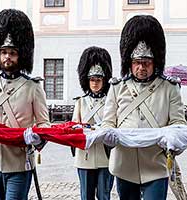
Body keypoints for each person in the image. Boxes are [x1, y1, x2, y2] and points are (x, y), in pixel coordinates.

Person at [101, 15, 187, 200]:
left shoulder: (169, 88)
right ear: (129, 63)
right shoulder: (117, 88)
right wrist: (107, 136)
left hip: (156, 164)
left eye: (146, 63)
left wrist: (172, 140)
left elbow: (178, 123)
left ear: (155, 62)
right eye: (137, 63)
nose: (141, 68)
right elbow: (108, 121)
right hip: (124, 164)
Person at [0, 9, 50, 200]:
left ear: (20, 55)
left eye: (12, 53)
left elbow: (44, 124)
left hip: (20, 162)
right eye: (4, 52)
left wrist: (37, 137)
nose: (7, 57)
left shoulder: (33, 87)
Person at [72, 46, 114, 200]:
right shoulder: (81, 102)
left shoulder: (110, 101)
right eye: (92, 80)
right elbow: (74, 126)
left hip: (105, 155)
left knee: (104, 196)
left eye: (98, 80)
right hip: (85, 155)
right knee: (86, 196)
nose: (95, 83)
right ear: (87, 81)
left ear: (104, 80)